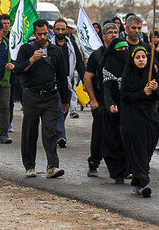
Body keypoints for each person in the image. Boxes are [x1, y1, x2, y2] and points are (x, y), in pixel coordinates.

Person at [14, 19, 70, 179]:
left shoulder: (55, 51)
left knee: (50, 132)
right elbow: (17, 70)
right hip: (31, 96)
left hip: (51, 96)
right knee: (29, 132)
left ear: (49, 32)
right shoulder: (26, 49)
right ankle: (29, 166)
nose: (42, 36)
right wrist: (31, 60)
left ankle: (52, 166)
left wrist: (65, 101)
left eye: (45, 33)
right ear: (34, 33)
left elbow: (61, 76)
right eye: (39, 34)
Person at [120, 46, 159, 198]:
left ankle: (138, 180)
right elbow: (125, 96)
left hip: (151, 120)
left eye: (143, 57)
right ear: (133, 60)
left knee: (146, 152)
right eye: (137, 57)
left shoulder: (151, 74)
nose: (141, 60)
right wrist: (142, 93)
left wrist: (155, 88)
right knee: (138, 151)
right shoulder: (128, 75)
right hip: (134, 119)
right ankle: (144, 183)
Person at [84, 22, 119, 178]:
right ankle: (94, 162)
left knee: (119, 134)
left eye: (115, 32)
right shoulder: (97, 55)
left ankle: (120, 166)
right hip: (101, 101)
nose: (113, 35)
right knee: (99, 134)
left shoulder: (123, 52)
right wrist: (93, 100)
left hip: (119, 102)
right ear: (103, 36)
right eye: (110, 32)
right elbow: (88, 78)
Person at [51, 18, 86, 148]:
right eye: (58, 29)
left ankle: (57, 130)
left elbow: (79, 63)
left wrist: (85, 79)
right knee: (59, 108)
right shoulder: (50, 45)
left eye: (63, 29)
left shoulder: (71, 45)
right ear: (54, 30)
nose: (60, 31)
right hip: (53, 82)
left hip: (68, 81)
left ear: (67, 30)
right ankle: (61, 135)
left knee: (64, 109)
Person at [101, 38, 132, 183]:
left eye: (126, 49)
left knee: (130, 141)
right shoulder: (108, 67)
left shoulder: (133, 66)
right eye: (120, 50)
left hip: (130, 109)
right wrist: (110, 104)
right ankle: (116, 172)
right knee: (113, 142)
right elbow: (106, 89)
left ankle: (129, 170)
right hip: (114, 111)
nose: (124, 53)